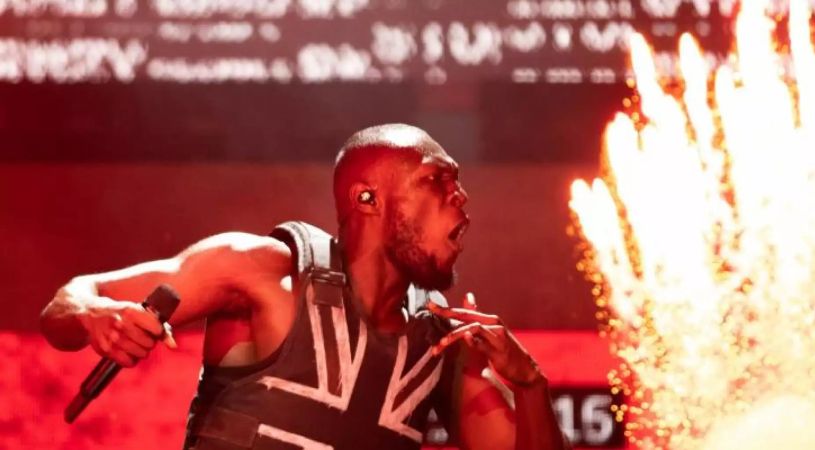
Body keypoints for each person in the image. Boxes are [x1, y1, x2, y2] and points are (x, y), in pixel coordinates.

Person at [40, 124, 570, 450]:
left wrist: (530, 386)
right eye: (438, 180)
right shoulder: (265, 271)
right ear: (367, 200)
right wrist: (94, 316)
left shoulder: (440, 347)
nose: (462, 198)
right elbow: (71, 299)